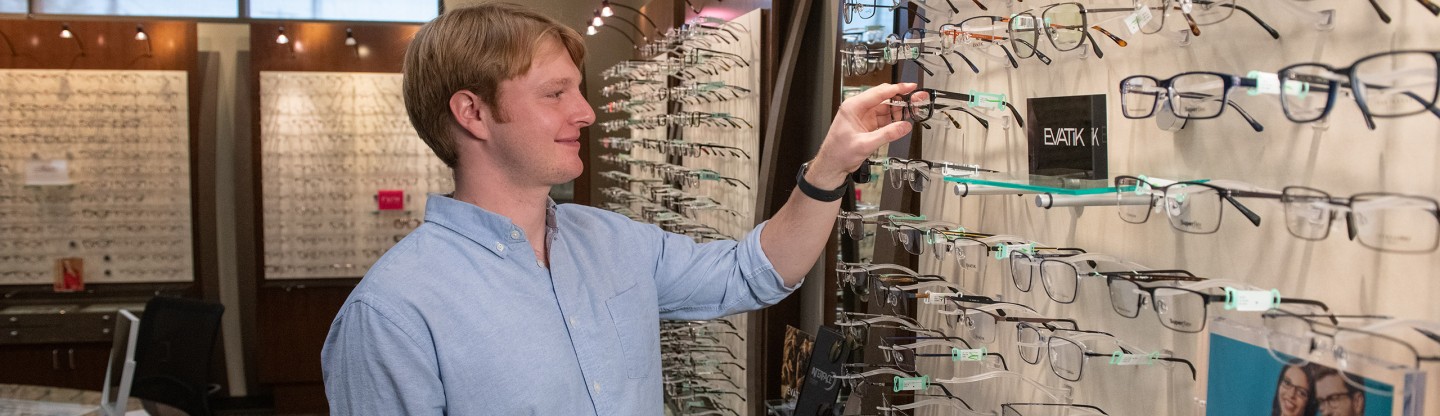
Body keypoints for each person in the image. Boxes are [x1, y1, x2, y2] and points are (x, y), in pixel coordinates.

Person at [320, 2, 918, 415]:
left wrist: (830, 166)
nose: (585, 113)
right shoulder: (391, 314)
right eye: (556, 93)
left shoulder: (608, 240)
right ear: (471, 113)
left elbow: (755, 272)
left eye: (578, 90)